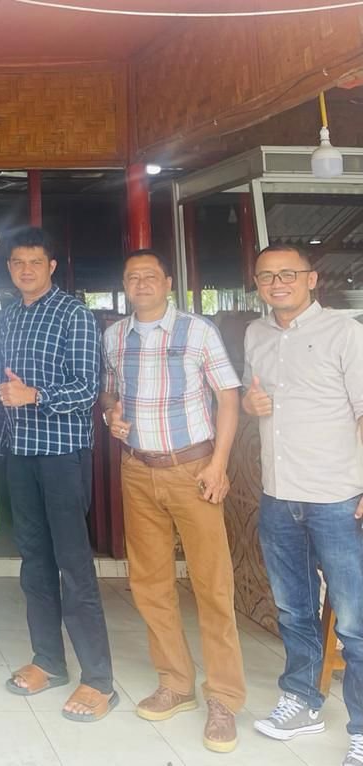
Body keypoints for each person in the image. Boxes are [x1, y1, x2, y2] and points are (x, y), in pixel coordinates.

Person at [101, 249, 245, 753]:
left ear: (167, 283)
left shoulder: (197, 330)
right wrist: (111, 416)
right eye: (131, 277)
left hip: (193, 468)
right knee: (150, 583)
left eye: (149, 276)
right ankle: (176, 683)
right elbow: (111, 393)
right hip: (137, 469)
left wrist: (219, 464)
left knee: (212, 584)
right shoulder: (115, 336)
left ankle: (223, 697)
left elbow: (228, 397)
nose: (140, 283)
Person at [241, 244, 363, 766]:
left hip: (337, 498)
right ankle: (303, 702)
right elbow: (253, 398)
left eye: (288, 274)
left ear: (312, 279)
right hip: (278, 496)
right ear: (257, 284)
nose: (277, 283)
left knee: (354, 621)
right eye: (266, 276)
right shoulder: (256, 334)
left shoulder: (345, 332)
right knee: (294, 610)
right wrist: (249, 404)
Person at [0, 227, 117, 722]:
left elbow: (88, 389)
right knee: (34, 562)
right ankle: (48, 660)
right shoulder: (7, 319)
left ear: (51, 267)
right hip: (20, 456)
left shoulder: (74, 314)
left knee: (73, 565)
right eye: (17, 263)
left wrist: (36, 396)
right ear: (10, 269)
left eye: (35, 262)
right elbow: (3, 393)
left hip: (62, 456)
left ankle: (98, 679)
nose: (26, 270)